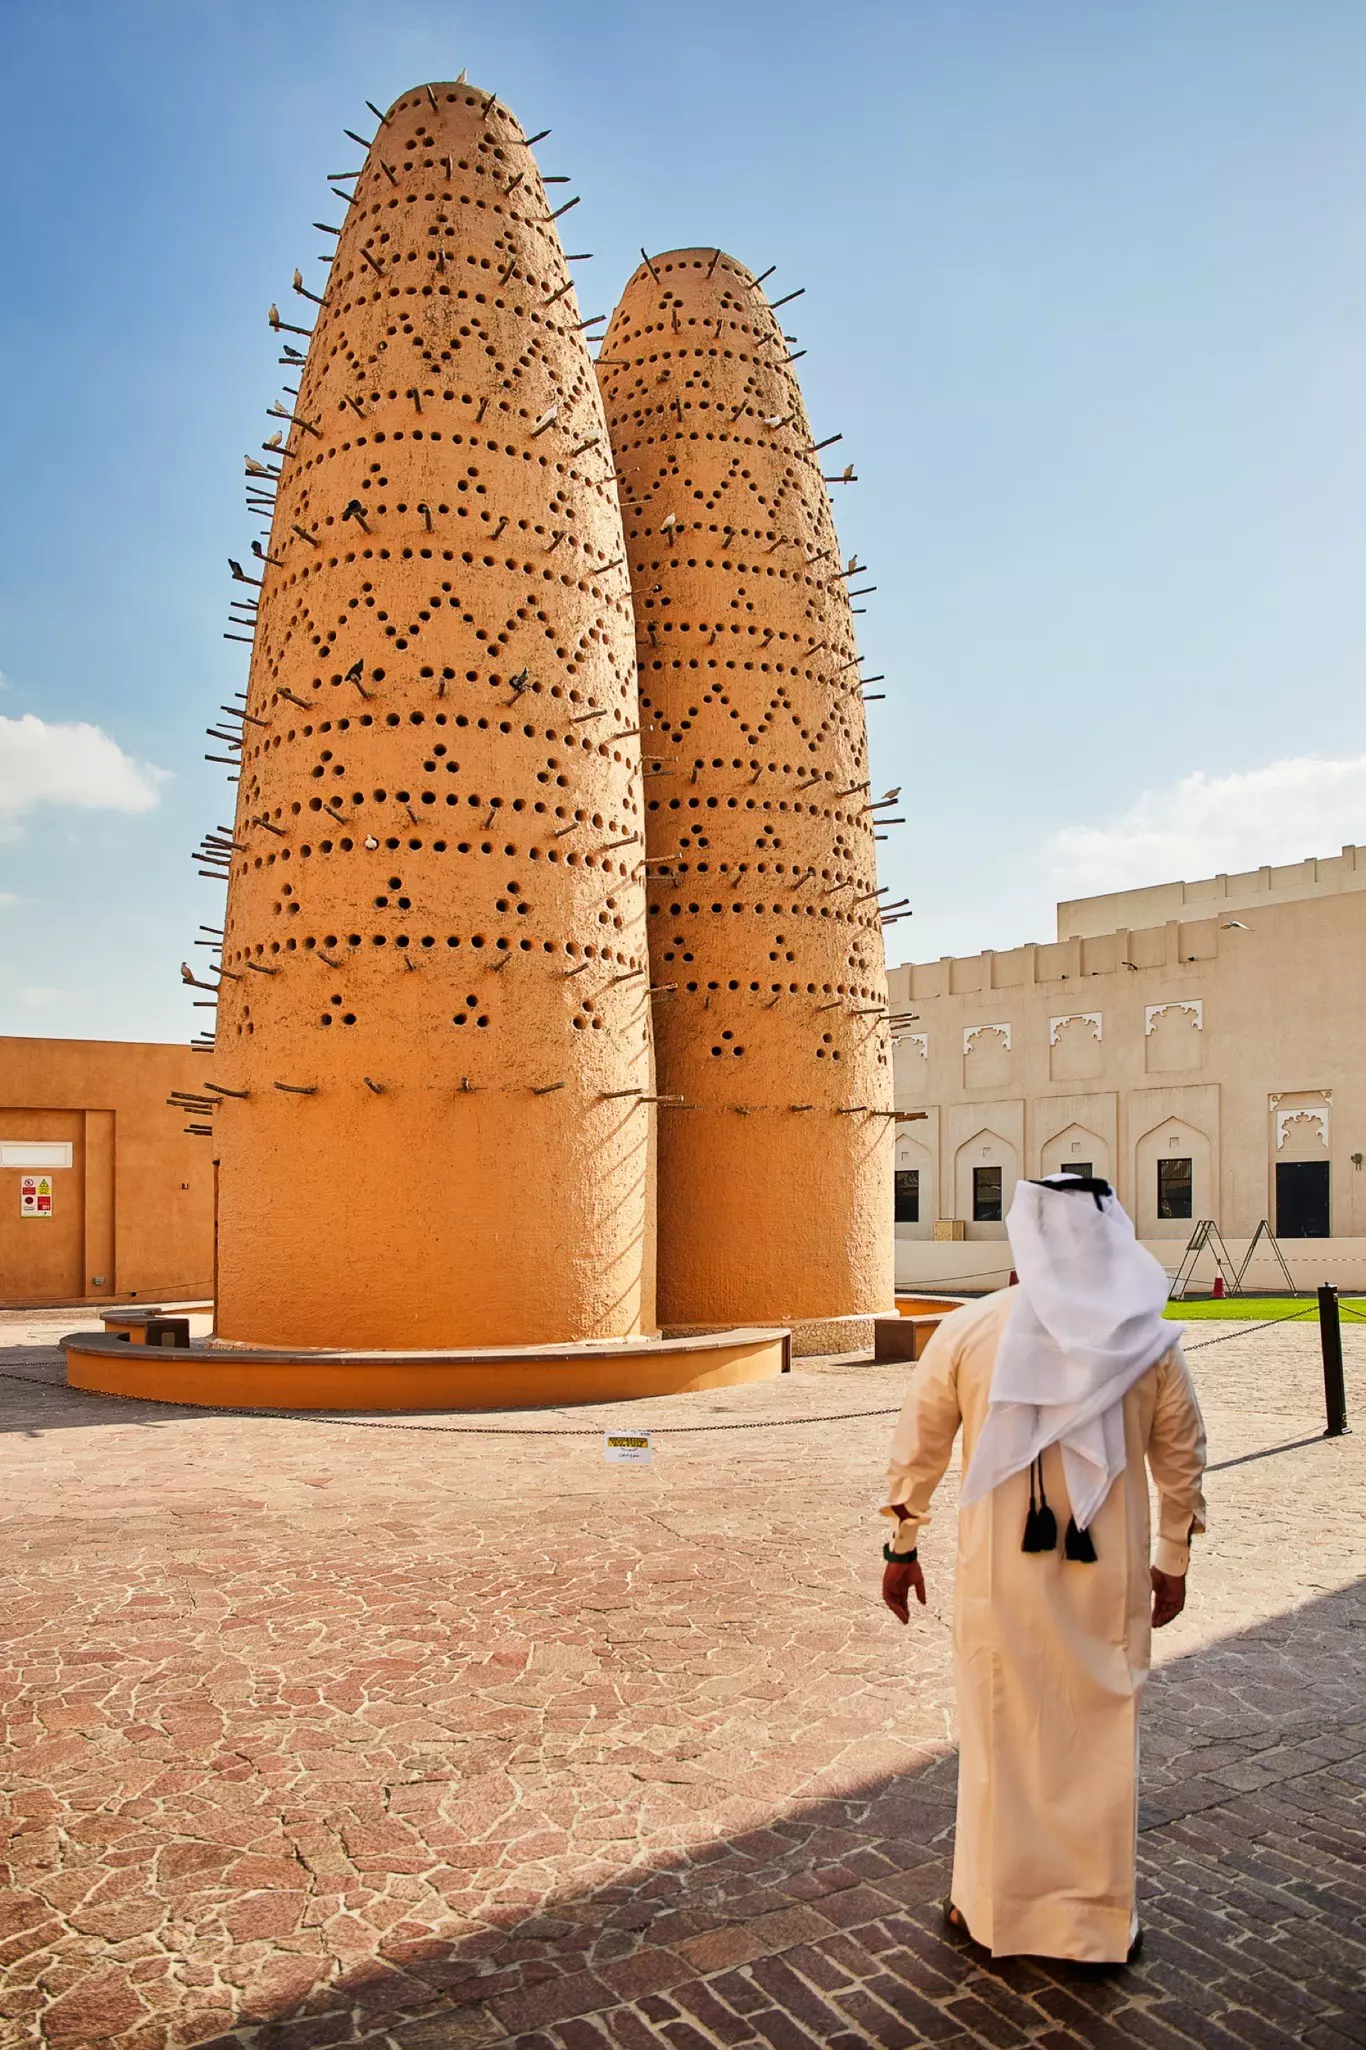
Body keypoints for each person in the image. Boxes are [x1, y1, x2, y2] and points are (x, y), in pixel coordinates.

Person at [880, 1174, 1206, 1966]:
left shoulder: (968, 1330)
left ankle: (993, 1913)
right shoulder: (1150, 1343)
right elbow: (1182, 1461)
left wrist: (902, 1547)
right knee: (1096, 1731)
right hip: (1110, 1578)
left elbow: (917, 1452)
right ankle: (1094, 1925)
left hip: (1004, 1581)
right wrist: (1171, 1559)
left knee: (1004, 1733)